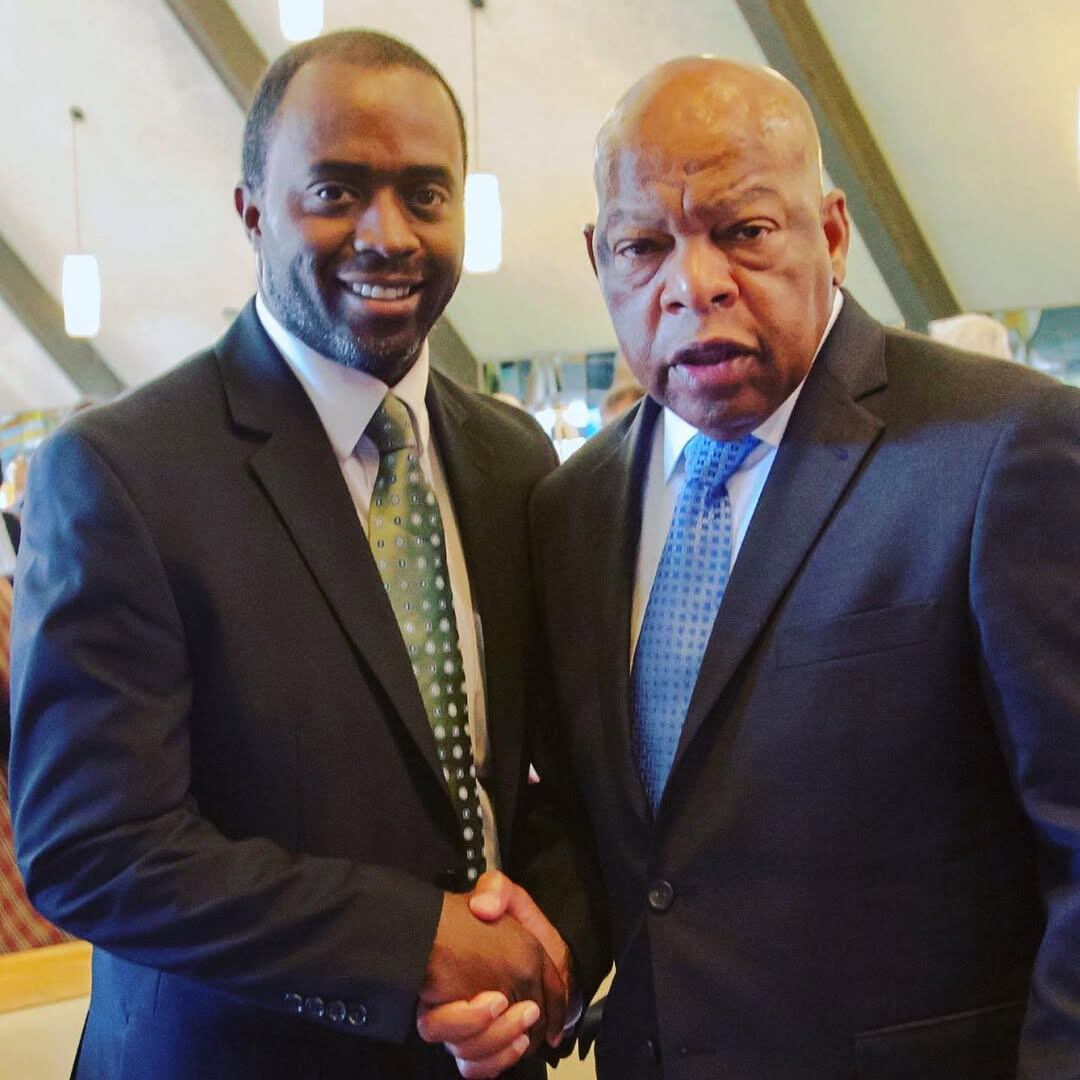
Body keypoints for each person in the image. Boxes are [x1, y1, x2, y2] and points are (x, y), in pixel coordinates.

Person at [9, 30, 588, 1080]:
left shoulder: (511, 458)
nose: (389, 233)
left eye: (425, 193)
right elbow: (94, 849)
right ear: (251, 212)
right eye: (336, 192)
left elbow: (544, 780)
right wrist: (414, 944)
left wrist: (534, 959)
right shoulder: (121, 471)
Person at [523, 57, 1078, 1078]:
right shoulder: (573, 508)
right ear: (598, 257)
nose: (693, 286)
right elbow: (636, 851)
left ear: (829, 232)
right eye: (644, 246)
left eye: (744, 232)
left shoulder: (1004, 450)